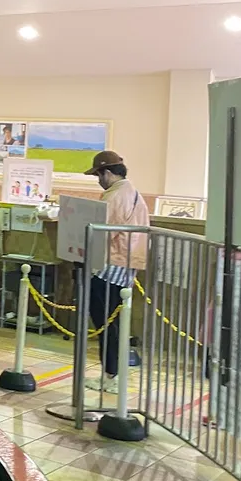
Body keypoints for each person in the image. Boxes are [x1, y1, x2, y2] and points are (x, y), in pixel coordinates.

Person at [83, 151, 149, 394]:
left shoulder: (115, 196)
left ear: (107, 173)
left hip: (110, 267)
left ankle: (111, 376)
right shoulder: (131, 193)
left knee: (106, 323)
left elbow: (102, 233)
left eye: (98, 175)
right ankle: (112, 374)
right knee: (115, 323)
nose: (98, 180)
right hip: (127, 265)